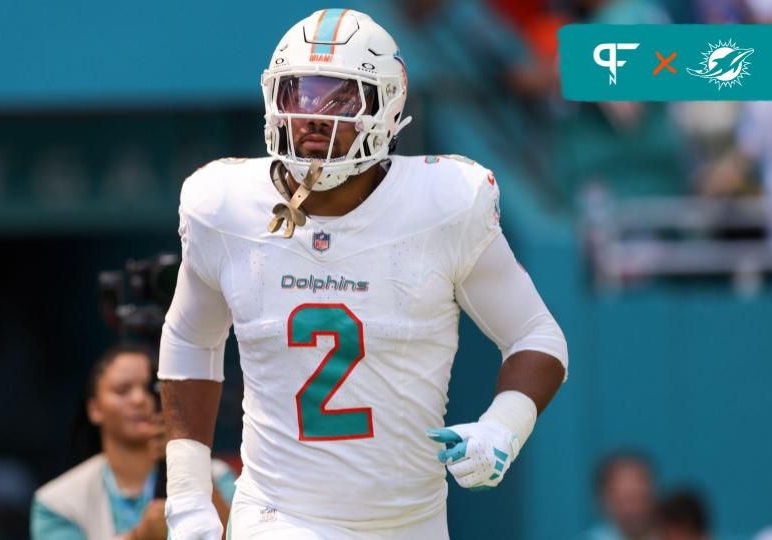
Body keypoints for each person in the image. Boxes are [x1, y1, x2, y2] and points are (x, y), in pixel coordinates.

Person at [157, 9, 568, 540]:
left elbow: (537, 336)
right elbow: (190, 340)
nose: (310, 114)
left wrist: (502, 429)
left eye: (337, 97)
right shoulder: (224, 204)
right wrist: (188, 498)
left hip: (410, 522)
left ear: (386, 105)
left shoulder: (444, 203)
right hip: (279, 515)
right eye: (296, 93)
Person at [30, 344, 234, 540]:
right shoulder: (57, 502)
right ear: (94, 409)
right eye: (122, 390)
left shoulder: (216, 475)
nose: (139, 399)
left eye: (150, 389)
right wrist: (138, 536)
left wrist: (190, 465)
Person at [582, 452, 657, 540]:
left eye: (640, 498)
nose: (634, 509)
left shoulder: (672, 534)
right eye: (624, 501)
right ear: (604, 501)